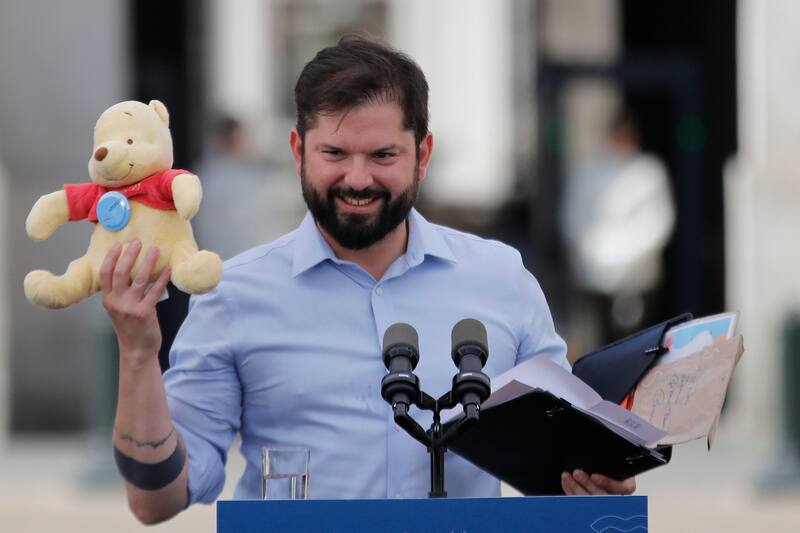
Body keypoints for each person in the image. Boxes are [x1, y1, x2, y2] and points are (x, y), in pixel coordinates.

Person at [102, 36, 636, 525]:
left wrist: (599, 481)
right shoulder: (234, 293)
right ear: (298, 152)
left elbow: (565, 466)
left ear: (421, 155)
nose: (357, 179)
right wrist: (137, 352)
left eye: (383, 155)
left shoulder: (501, 279)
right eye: (334, 154)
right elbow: (157, 500)